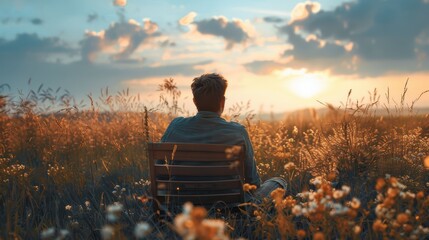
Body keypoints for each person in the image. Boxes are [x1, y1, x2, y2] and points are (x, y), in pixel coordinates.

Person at [161, 73, 287, 202]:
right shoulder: (238, 131)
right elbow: (253, 182)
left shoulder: (175, 127)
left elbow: (161, 173)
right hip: (231, 207)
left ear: (194, 101)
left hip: (182, 204)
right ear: (222, 101)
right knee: (278, 182)